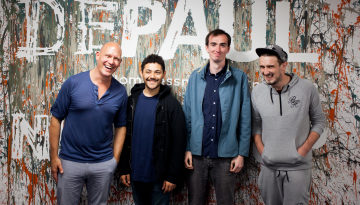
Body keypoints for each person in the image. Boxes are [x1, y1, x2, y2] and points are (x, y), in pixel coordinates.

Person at [49, 42, 127, 205]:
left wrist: (114, 160)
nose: (111, 61)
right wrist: (54, 157)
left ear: (119, 63)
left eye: (116, 59)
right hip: (70, 162)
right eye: (108, 56)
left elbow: (121, 126)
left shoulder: (120, 91)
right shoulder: (73, 83)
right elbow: (56, 118)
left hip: (102, 164)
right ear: (98, 55)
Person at [183, 29, 251, 205]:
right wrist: (188, 148)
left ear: (228, 49)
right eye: (213, 44)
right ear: (207, 47)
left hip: (227, 156)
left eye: (222, 45)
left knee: (226, 202)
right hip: (197, 156)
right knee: (195, 202)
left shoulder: (240, 78)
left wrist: (242, 153)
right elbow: (188, 115)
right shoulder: (195, 77)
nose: (217, 49)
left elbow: (245, 118)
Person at [252, 44, 326, 204]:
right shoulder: (257, 92)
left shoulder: (307, 89)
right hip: (268, 168)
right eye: (262, 67)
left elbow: (319, 121)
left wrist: (304, 149)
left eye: (270, 66)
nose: (265, 72)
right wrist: (263, 150)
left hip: (298, 167)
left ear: (284, 65)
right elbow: (256, 124)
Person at [118, 54, 187, 205]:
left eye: (157, 72)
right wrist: (124, 168)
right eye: (148, 71)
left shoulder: (171, 105)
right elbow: (123, 138)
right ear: (141, 72)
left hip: (160, 178)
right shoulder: (131, 101)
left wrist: (172, 176)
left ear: (163, 74)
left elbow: (179, 143)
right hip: (136, 175)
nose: (152, 76)